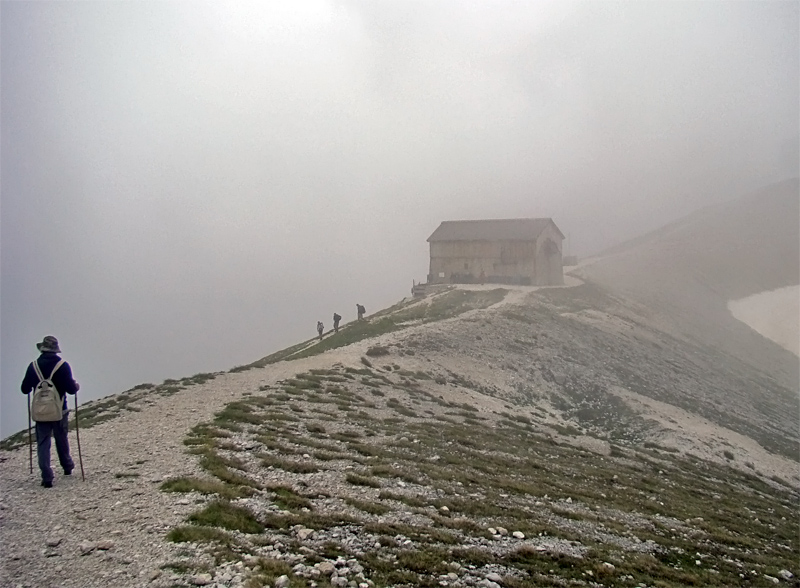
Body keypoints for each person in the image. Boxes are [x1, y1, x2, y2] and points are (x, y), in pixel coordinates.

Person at [20, 336, 80, 488]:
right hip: (60, 408)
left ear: (42, 349)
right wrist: (75, 386)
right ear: (55, 349)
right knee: (61, 438)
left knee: (42, 442)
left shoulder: (33, 366)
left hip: (41, 411)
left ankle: (47, 477)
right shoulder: (62, 365)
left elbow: (24, 389)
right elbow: (71, 390)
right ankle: (67, 466)